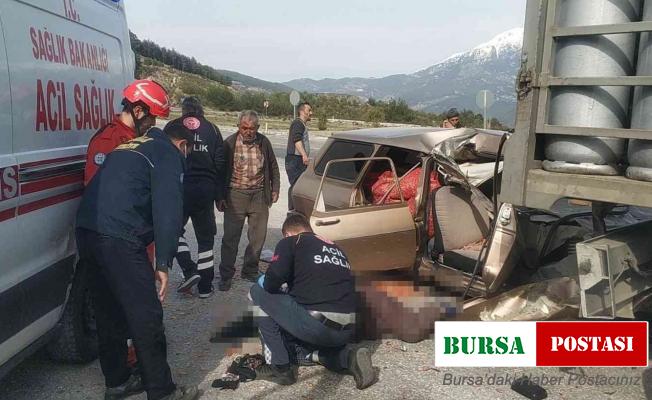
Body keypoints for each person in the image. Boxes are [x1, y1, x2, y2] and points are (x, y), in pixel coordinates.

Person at [76, 121, 199, 400]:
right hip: (119, 237)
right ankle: (162, 390)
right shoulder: (167, 153)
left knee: (108, 310)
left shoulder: (132, 145)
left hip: (88, 230)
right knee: (147, 315)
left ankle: (117, 381)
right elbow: (168, 210)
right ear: (182, 144)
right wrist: (164, 263)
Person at [82, 78, 170, 372]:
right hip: (119, 238)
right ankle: (134, 366)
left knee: (134, 305)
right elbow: (102, 197)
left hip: (137, 236)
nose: (154, 123)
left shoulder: (135, 140)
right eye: (153, 115)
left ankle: (133, 360)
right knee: (126, 308)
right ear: (139, 109)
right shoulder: (109, 141)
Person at [249, 214, 376, 390]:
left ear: (287, 233)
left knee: (257, 292)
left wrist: (264, 280)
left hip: (318, 328)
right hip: (346, 331)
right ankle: (347, 358)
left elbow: (272, 281)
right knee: (296, 350)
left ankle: (279, 368)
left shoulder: (291, 242)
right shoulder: (337, 248)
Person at [169, 97, 226, 297]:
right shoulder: (213, 129)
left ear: (184, 110)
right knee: (205, 239)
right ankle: (205, 287)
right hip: (205, 189)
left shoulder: (172, 126)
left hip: (179, 187)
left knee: (173, 230)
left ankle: (188, 269)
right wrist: (220, 195)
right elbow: (220, 164)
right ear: (201, 110)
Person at [218, 110, 280, 291]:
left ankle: (250, 270)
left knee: (258, 237)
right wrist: (219, 196)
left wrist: (275, 188)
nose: (248, 131)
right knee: (230, 237)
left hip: (259, 195)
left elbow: (274, 167)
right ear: (238, 127)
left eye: (252, 128)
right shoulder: (229, 143)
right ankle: (226, 275)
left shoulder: (264, 142)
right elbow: (220, 172)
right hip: (235, 195)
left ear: (257, 128)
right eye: (244, 128)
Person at [84, 79, 170, 186]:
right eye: (152, 117)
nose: (153, 123)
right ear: (137, 111)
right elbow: (95, 188)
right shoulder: (108, 141)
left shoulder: (136, 137)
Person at [285, 102, 312, 211]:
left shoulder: (301, 124)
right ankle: (292, 210)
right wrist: (304, 155)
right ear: (301, 111)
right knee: (296, 185)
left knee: (298, 185)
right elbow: (297, 140)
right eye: (309, 110)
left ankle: (295, 209)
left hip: (297, 159)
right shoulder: (298, 124)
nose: (311, 113)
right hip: (295, 160)